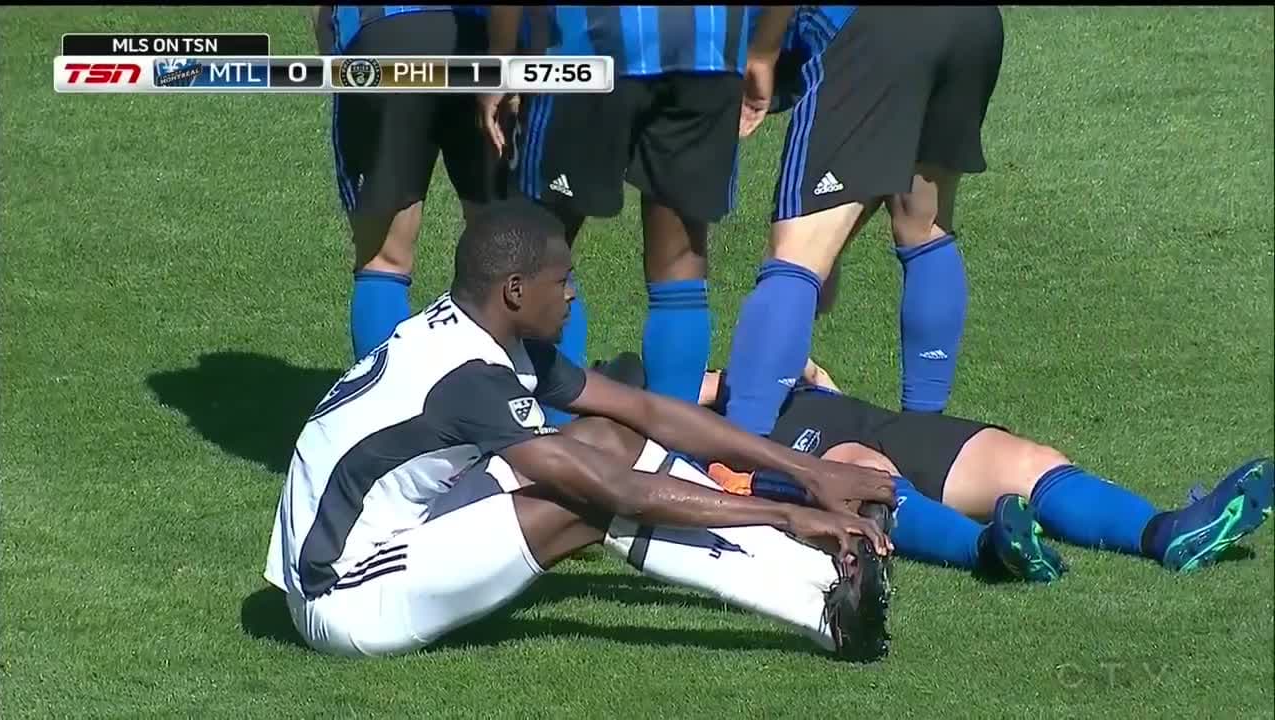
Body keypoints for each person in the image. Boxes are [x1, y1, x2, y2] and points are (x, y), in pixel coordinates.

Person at [263, 201, 901, 662]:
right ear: (515, 290)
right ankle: (826, 615)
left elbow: (645, 413)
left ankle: (828, 571)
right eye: (561, 281)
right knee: (589, 500)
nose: (571, 294)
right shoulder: (468, 378)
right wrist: (788, 513)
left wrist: (807, 471)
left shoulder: (481, 328)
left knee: (608, 438)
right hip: (344, 596)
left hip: (393, 529)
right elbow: (619, 492)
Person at [656, 355, 1271, 580]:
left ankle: (1166, 533)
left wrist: (787, 365)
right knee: (862, 473)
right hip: (793, 453)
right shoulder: (655, 412)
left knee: (1029, 461)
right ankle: (992, 551)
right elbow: (677, 404)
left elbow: (796, 364)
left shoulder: (738, 370)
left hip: (866, 417)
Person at [478, 6, 773, 422]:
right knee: (680, 264)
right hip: (710, 46)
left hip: (590, 43)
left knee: (537, 245)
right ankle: (675, 445)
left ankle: (553, 431)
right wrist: (764, 52)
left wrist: (500, 61)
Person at [723, 6, 1006, 439]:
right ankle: (923, 437)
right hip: (973, 23)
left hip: (872, 25)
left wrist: (761, 55)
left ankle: (736, 456)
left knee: (795, 258)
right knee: (924, 228)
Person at [319, 5, 500, 360]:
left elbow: (323, 18)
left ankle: (387, 393)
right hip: (481, 38)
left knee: (383, 258)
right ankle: (539, 392)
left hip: (384, 39)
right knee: (518, 247)